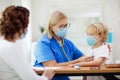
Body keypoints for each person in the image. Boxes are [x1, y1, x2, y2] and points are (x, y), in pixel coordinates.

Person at [33, 11, 93, 80]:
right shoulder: (43, 43)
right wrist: (77, 61)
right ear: (51, 27)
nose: (64, 29)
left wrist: (98, 49)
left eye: (65, 26)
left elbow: (84, 59)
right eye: (61, 26)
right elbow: (51, 66)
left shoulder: (68, 43)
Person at [0, 5, 55, 80]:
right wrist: (46, 77)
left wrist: (28, 71)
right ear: (21, 27)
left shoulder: (3, 44)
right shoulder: (11, 48)